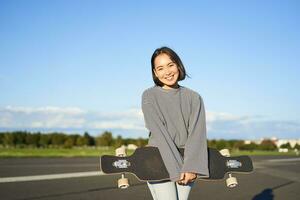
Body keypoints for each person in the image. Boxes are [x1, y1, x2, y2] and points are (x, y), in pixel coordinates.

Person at [141, 46, 209, 200]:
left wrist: (191, 166)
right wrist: (175, 168)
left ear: (178, 65)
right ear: (155, 73)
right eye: (160, 68)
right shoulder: (149, 96)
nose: (167, 71)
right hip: (157, 159)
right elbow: (160, 133)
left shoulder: (194, 97)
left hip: (186, 162)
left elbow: (197, 134)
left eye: (170, 65)